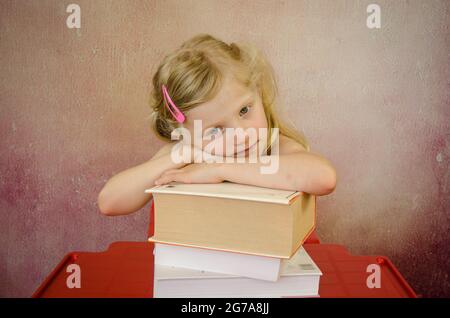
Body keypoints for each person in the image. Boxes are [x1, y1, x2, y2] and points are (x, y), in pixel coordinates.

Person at [98, 34, 337, 216]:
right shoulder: (184, 156)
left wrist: (219, 169)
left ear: (258, 92)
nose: (241, 135)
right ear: (184, 132)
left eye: (244, 110)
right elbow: (109, 202)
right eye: (215, 130)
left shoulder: (274, 149)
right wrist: (182, 155)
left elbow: (324, 178)